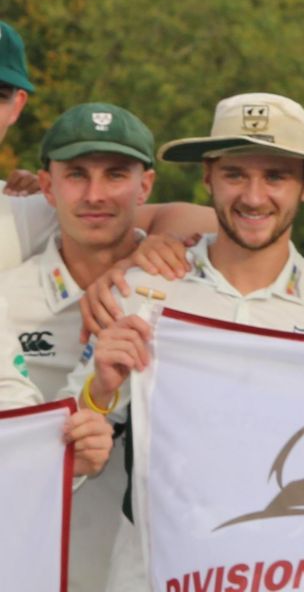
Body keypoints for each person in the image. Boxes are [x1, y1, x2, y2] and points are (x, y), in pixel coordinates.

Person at [74, 92, 304, 592]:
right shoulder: (142, 288)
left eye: (275, 176)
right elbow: (68, 443)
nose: (253, 196)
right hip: (151, 573)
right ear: (208, 178)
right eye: (235, 174)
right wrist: (101, 389)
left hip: (294, 573)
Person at [0, 102, 154, 590]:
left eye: (115, 174)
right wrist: (96, 394)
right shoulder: (6, 299)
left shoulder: (191, 285)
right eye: (76, 175)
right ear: (47, 186)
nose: (95, 195)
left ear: (145, 186)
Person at [0, 19, 214, 270]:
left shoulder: (20, 215)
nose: (94, 194)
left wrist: (149, 250)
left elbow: (205, 222)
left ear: (17, 106)